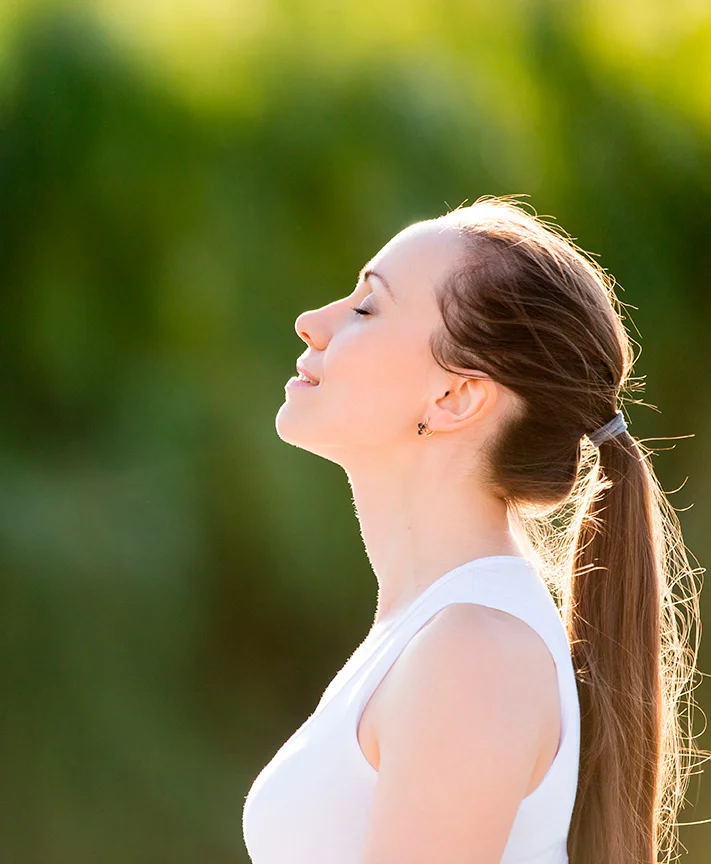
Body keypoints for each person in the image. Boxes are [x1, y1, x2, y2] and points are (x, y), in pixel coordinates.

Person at [242, 195, 703, 864]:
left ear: (455, 397)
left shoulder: (473, 651)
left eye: (366, 307)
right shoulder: (437, 634)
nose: (312, 322)